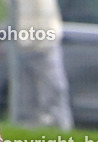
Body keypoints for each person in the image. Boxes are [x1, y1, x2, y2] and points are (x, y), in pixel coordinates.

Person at [12, 0, 73, 130]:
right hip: (25, 45)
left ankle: (59, 128)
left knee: (54, 90)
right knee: (26, 94)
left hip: (46, 44)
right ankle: (27, 129)